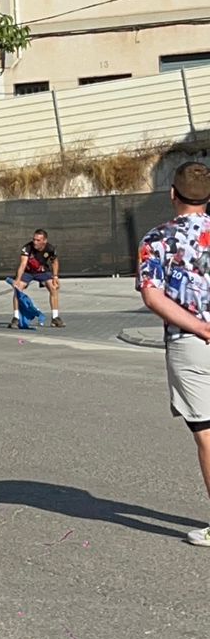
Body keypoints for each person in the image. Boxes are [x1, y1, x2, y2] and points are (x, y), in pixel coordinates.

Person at [136, 159, 210, 547]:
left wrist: (198, 325)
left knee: (207, 433)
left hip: (191, 342)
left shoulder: (156, 239)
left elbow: (152, 295)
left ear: (172, 194)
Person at [12, 228, 62, 328]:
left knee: (53, 288)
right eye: (34, 239)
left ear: (44, 241)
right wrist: (17, 280)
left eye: (38, 240)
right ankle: (16, 318)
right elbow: (22, 264)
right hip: (28, 272)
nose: (35, 242)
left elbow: (54, 262)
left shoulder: (50, 249)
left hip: (42, 271)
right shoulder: (27, 248)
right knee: (18, 289)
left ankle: (55, 318)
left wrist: (55, 276)